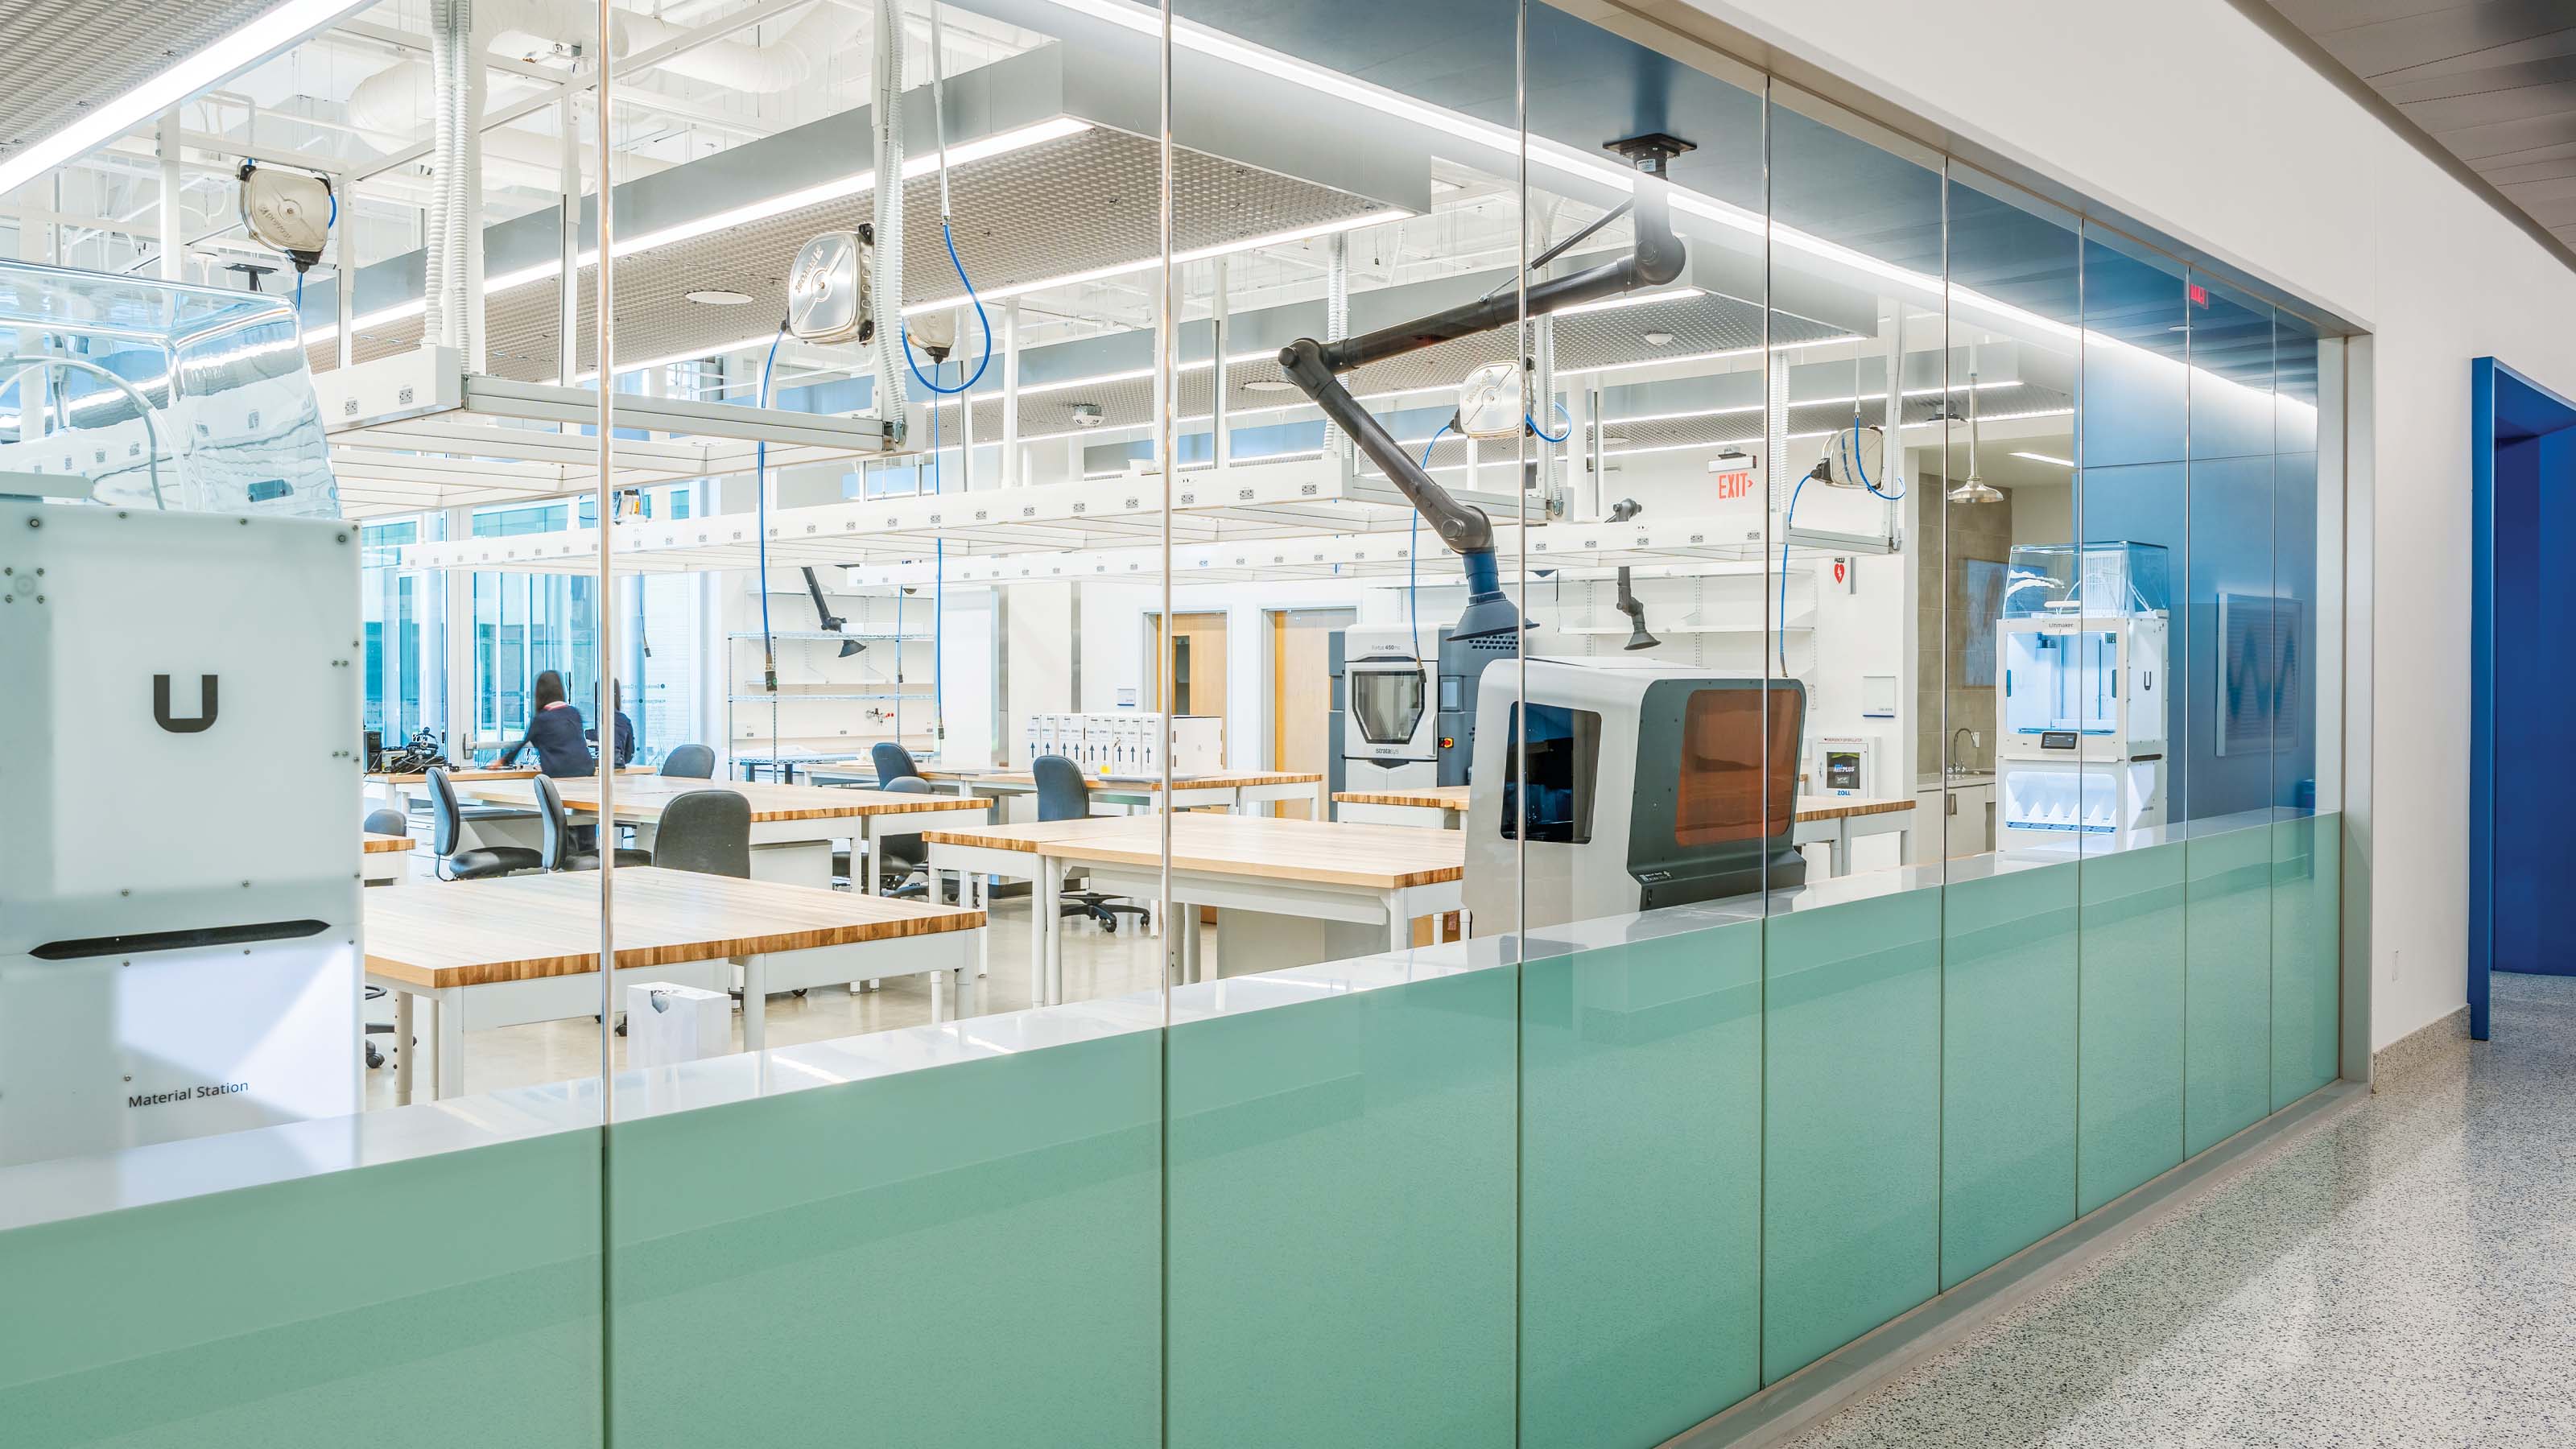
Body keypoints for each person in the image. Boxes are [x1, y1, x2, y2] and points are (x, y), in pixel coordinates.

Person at [497, 670, 595, 778]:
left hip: (560, 774)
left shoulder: (541, 719)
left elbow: (521, 746)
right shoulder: (574, 713)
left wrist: (503, 761)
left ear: (539, 694)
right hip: (587, 770)